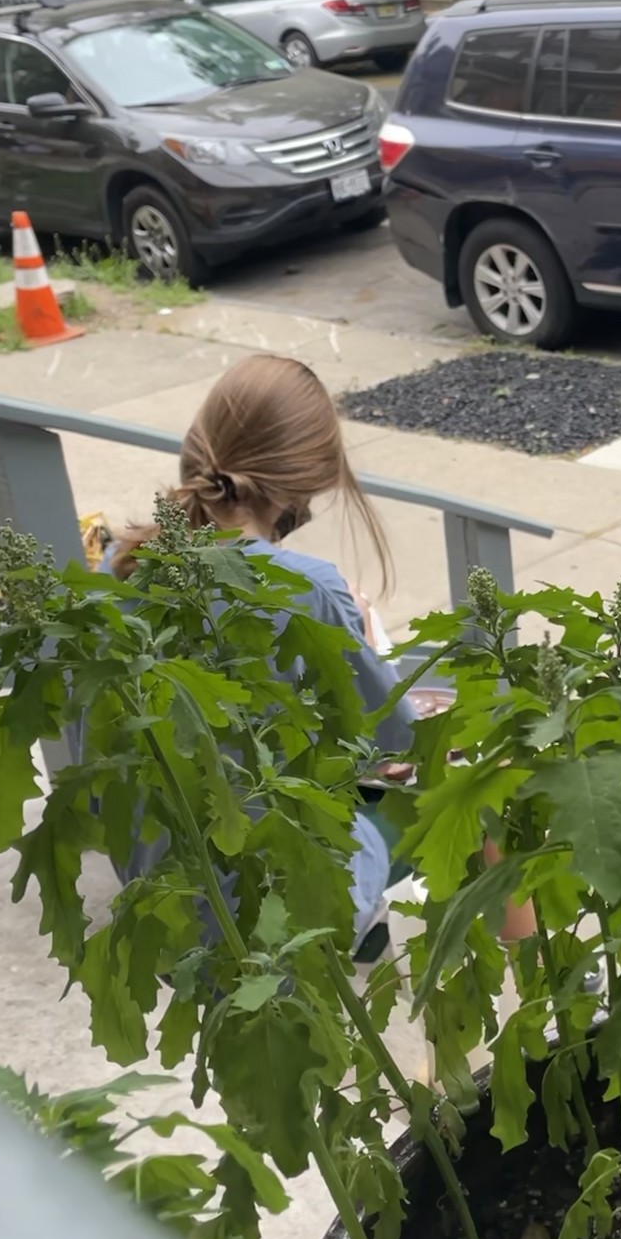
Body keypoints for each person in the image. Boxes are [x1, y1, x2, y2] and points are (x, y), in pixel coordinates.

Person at [104, 353, 407, 955]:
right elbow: (392, 745)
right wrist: (367, 643)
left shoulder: (122, 567)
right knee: (473, 800)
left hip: (160, 895)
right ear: (309, 480)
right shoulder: (310, 587)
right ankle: (531, 1009)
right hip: (275, 903)